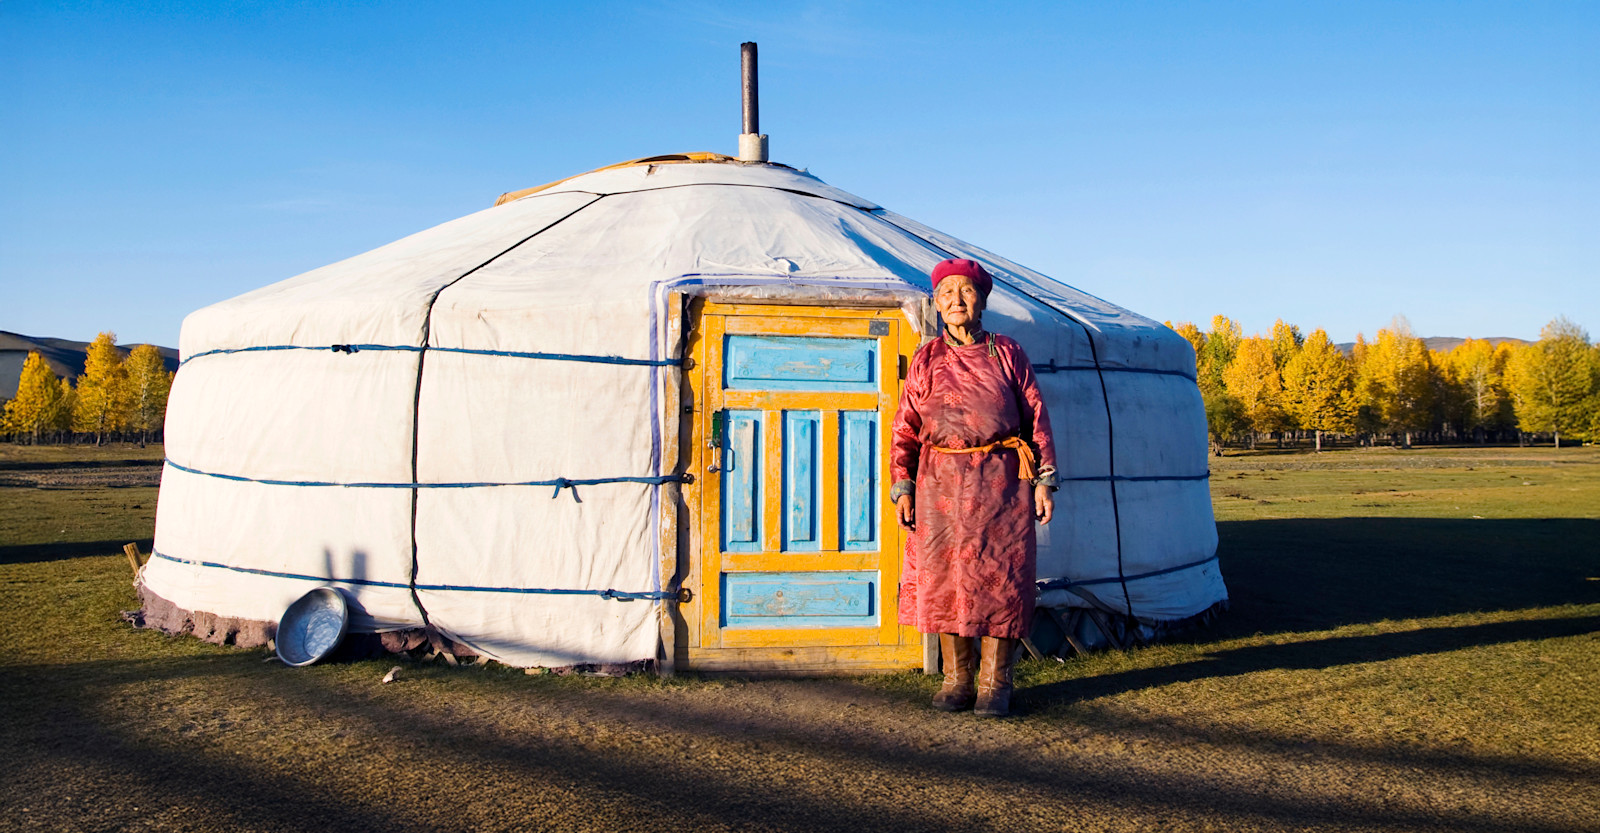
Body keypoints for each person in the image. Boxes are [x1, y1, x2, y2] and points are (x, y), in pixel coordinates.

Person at [891, 258, 1057, 717]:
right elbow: (904, 428)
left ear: (982, 300)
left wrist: (1045, 481)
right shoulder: (926, 357)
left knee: (1001, 580)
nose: (956, 301)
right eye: (947, 294)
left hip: (1002, 483)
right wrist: (902, 486)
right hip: (937, 483)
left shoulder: (1006, 352)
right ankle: (957, 679)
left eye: (966, 292)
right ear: (937, 304)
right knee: (945, 583)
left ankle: (995, 685)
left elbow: (1036, 417)